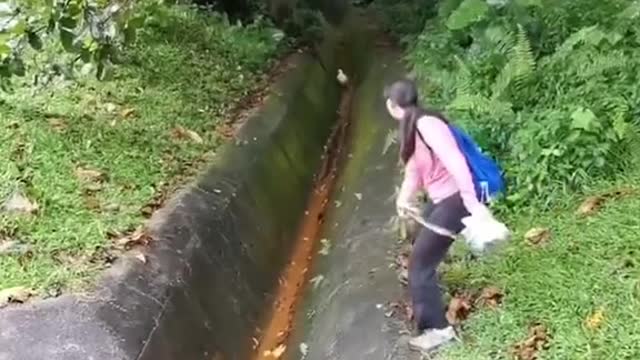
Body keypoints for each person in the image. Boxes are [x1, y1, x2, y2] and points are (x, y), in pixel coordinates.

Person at [383, 79, 495, 353]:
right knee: (421, 252)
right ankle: (432, 299)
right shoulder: (413, 126)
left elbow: (456, 162)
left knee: (419, 267)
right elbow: (414, 171)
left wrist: (472, 203)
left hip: (456, 199)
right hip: (443, 199)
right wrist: (403, 199)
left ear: (391, 105)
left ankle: (438, 330)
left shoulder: (427, 125)